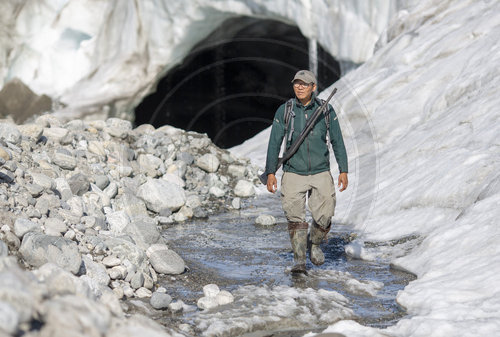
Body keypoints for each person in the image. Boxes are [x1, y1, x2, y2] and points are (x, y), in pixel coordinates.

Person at [264, 70, 348, 274]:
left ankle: (316, 243)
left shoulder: (326, 110)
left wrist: (343, 170)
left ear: (314, 87)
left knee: (325, 214)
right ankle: (299, 260)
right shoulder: (285, 110)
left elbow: (337, 140)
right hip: (293, 171)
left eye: (305, 84)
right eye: (296, 83)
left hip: (320, 171)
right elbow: (275, 141)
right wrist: (270, 173)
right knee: (295, 217)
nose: (299, 87)